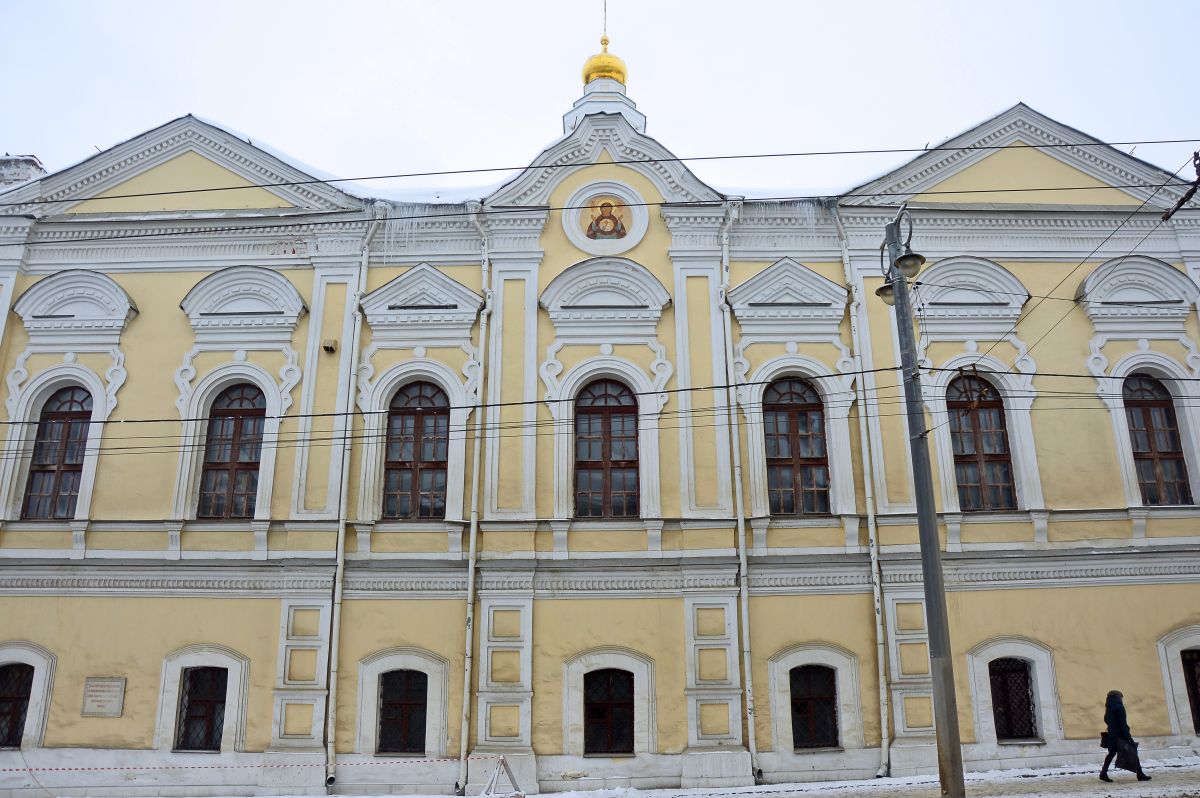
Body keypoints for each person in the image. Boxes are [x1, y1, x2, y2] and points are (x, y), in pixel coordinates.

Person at [1101, 690, 1151, 782]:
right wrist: (1128, 737)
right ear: (1118, 698)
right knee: (1133, 750)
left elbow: (1106, 721)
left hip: (1112, 735)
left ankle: (1103, 773)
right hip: (1120, 735)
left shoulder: (1108, 709)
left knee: (1111, 753)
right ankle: (1140, 774)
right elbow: (1122, 724)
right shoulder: (1120, 708)